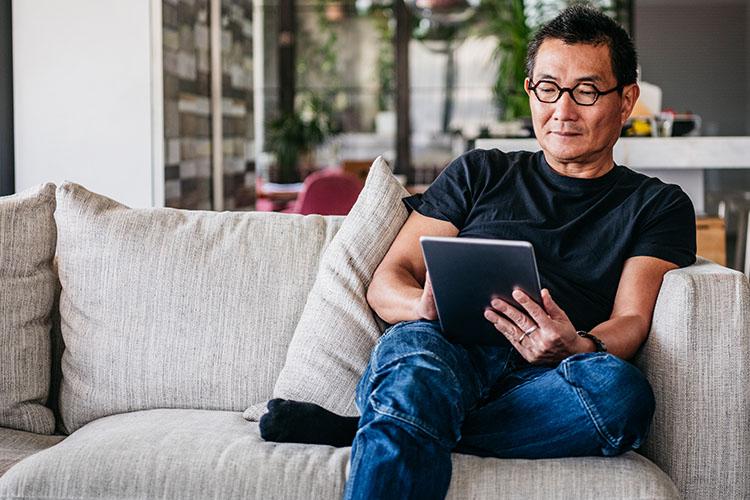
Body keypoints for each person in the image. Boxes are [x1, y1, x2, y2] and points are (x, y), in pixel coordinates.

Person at [259, 5, 696, 499]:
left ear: (626, 99)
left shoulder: (658, 204)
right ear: (531, 91)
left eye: (587, 91)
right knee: (417, 365)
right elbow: (390, 279)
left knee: (621, 395)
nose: (563, 110)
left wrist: (576, 344)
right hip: (443, 351)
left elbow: (632, 319)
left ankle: (379, 422)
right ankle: (405, 410)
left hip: (549, 376)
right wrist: (420, 306)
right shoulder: (479, 172)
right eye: (548, 89)